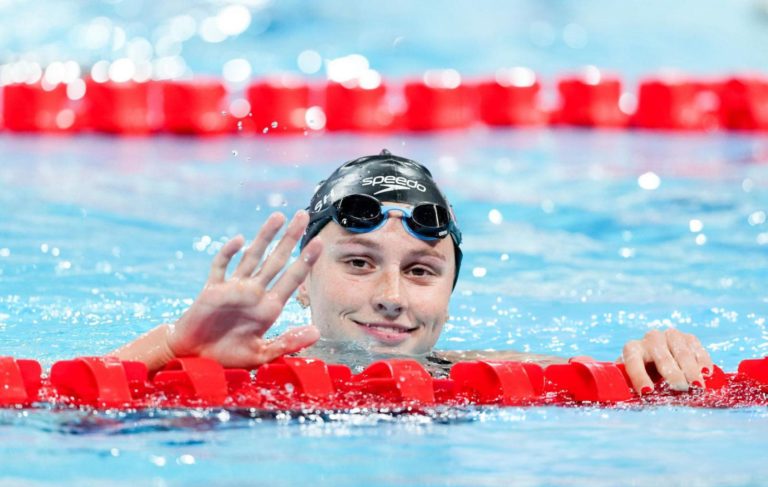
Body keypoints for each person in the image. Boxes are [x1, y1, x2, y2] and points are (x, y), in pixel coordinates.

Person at [111, 150, 714, 395]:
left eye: (422, 271)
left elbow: (638, 385)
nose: (393, 298)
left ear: (450, 295)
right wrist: (174, 347)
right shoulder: (237, 371)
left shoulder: (495, 376)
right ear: (301, 287)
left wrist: (664, 358)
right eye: (357, 262)